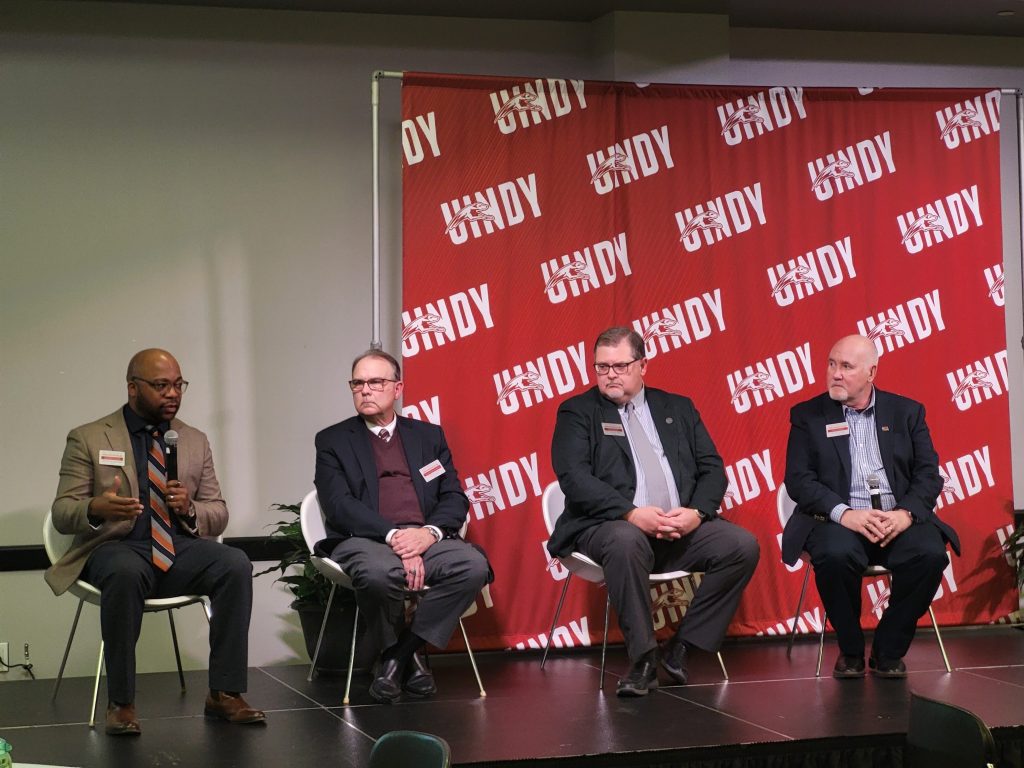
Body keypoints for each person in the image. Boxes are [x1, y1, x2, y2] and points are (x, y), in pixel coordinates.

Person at [46, 349, 265, 735]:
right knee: (126, 571)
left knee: (235, 564)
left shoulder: (193, 439)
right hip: (116, 548)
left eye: (178, 385)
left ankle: (224, 693)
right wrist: (97, 507)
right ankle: (122, 703)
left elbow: (219, 510)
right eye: (161, 385)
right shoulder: (89, 437)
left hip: (178, 548)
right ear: (133, 387)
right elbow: (64, 512)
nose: (173, 394)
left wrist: (192, 509)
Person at [548, 327, 760, 696]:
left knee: (741, 545)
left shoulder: (677, 407)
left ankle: (681, 647)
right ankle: (643, 659)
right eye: (601, 367)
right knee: (626, 541)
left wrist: (696, 512)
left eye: (619, 366)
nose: (610, 374)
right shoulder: (578, 412)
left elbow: (712, 468)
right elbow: (574, 478)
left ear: (643, 365)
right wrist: (631, 513)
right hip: (609, 526)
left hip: (679, 526)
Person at [314, 350, 491, 704]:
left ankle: (396, 656)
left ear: (397, 388)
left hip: (425, 535)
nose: (365, 390)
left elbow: (454, 497)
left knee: (472, 567)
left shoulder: (428, 436)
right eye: (358, 383)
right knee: (379, 574)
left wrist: (428, 535)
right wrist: (394, 537)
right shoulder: (332, 440)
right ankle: (409, 660)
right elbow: (339, 505)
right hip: (366, 539)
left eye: (376, 382)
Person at [782, 334, 959, 679]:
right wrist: (846, 514)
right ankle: (850, 651)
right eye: (831, 364)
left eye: (846, 366)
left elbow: (928, 475)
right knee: (834, 555)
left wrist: (904, 515)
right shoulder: (808, 416)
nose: (834, 373)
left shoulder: (907, 412)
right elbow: (799, 481)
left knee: (930, 554)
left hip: (896, 518)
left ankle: (888, 648)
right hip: (838, 522)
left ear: (871, 372)